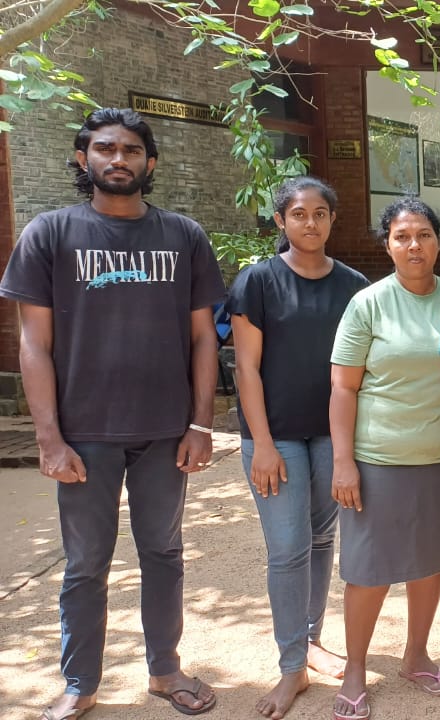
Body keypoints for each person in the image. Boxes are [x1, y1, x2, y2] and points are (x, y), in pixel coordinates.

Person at [0, 107, 224, 718]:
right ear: (83, 159)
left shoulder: (182, 236)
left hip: (164, 433)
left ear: (150, 163)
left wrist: (201, 423)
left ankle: (165, 671)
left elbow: (205, 337)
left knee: (163, 554)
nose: (117, 159)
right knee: (86, 565)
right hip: (84, 434)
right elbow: (33, 345)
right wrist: (48, 437)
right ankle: (80, 683)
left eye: (130, 150)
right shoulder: (50, 234)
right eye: (104, 149)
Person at [227, 176, 369, 719]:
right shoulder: (258, 282)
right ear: (281, 220)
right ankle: (292, 668)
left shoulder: (353, 285)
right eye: (298, 214)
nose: (310, 223)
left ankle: (310, 640)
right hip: (276, 436)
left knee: (319, 537)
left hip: (331, 435)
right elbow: (246, 367)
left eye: (320, 214)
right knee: (287, 550)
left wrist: (348, 447)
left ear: (332, 220)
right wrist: (262, 443)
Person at [328, 198, 440, 720]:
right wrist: (344, 461)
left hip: (439, 458)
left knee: (428, 562)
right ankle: (355, 668)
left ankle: (415, 655)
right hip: (377, 459)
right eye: (403, 236)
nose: (415, 245)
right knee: (369, 570)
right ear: (387, 243)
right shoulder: (368, 305)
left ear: (438, 241)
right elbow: (343, 388)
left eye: (425, 235)